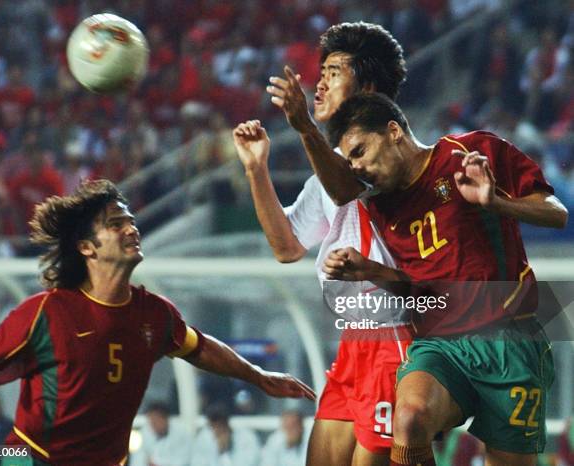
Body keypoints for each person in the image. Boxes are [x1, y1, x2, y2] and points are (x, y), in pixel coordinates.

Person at [0, 179, 315, 466]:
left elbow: (200, 347)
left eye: (131, 220)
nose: (131, 228)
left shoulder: (154, 314)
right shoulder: (46, 312)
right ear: (87, 247)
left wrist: (259, 376)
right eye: (116, 224)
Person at [311, 92, 568, 466]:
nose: (357, 168)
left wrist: (496, 202)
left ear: (393, 131)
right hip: (441, 344)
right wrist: (370, 271)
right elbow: (419, 289)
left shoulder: (471, 151)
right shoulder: (383, 207)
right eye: (349, 162)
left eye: (359, 151)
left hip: (510, 341)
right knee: (410, 416)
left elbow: (555, 213)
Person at [235, 21, 409, 466]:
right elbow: (286, 246)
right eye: (323, 70)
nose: (321, 82)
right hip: (355, 342)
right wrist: (257, 170)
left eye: (335, 71)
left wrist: (304, 127)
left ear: (368, 85)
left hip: (397, 338)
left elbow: (348, 188)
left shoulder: (392, 148)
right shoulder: (326, 175)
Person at [190, 403, 261, 466]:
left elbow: (251, 462)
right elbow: (197, 462)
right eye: (212, 427)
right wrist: (220, 452)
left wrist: (225, 452)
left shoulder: (247, 437)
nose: (216, 431)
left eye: (220, 427)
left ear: (227, 423)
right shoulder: (204, 438)